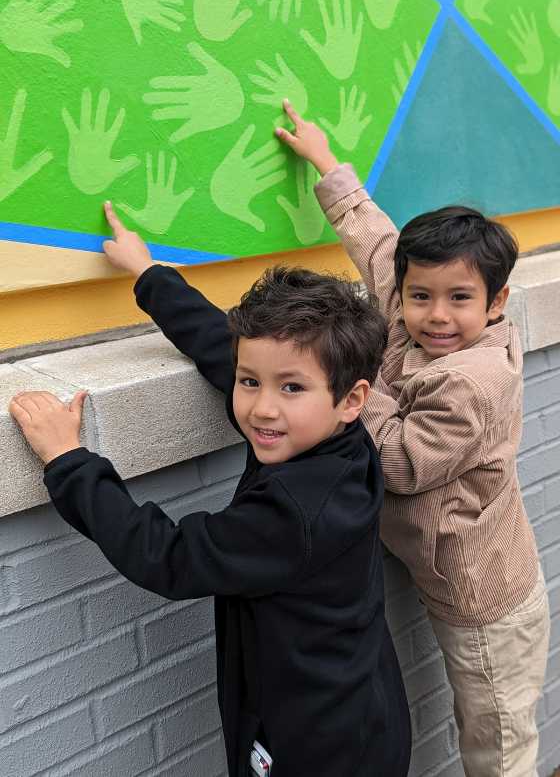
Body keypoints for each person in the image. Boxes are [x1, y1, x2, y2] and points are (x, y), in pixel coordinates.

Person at [9, 205, 411, 777]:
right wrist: (149, 276)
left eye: (290, 388)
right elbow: (228, 350)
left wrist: (68, 461)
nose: (262, 407)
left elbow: (168, 557)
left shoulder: (293, 511)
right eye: (253, 383)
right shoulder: (334, 437)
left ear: (352, 398)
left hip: (315, 749)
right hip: (363, 710)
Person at [275, 99, 550, 777]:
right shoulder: (408, 303)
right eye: (419, 295)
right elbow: (377, 243)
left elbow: (397, 461)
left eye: (460, 298)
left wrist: (352, 389)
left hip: (485, 604)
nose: (434, 315)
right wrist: (325, 163)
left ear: (496, 303)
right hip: (448, 570)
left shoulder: (473, 383)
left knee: (497, 738)